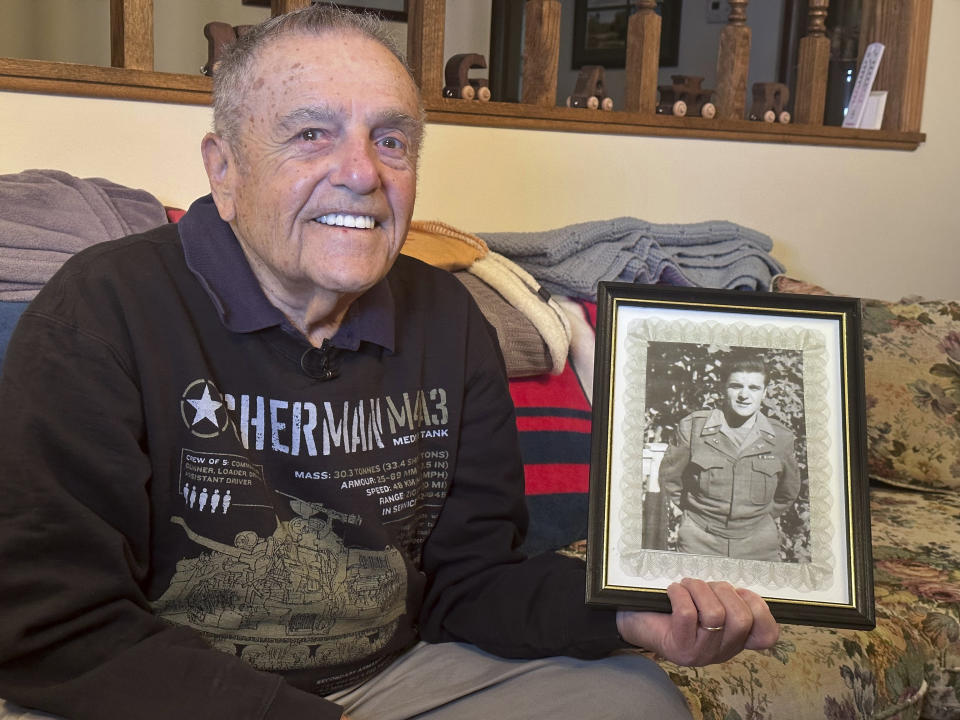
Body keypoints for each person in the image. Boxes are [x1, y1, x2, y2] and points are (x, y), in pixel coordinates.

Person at [0, 7, 779, 720]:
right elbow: (53, 623)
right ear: (224, 168)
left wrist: (622, 613)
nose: (364, 172)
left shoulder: (447, 316)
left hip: (393, 679)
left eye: (392, 139)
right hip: (171, 692)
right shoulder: (100, 308)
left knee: (634, 701)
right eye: (310, 134)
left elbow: (471, 582)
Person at [660, 352, 802, 562]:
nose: (744, 395)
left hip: (758, 544)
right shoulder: (693, 428)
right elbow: (670, 480)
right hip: (700, 540)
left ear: (764, 392)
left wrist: (753, 522)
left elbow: (787, 492)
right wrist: (696, 519)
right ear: (722, 388)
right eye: (736, 386)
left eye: (754, 388)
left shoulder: (780, 437)